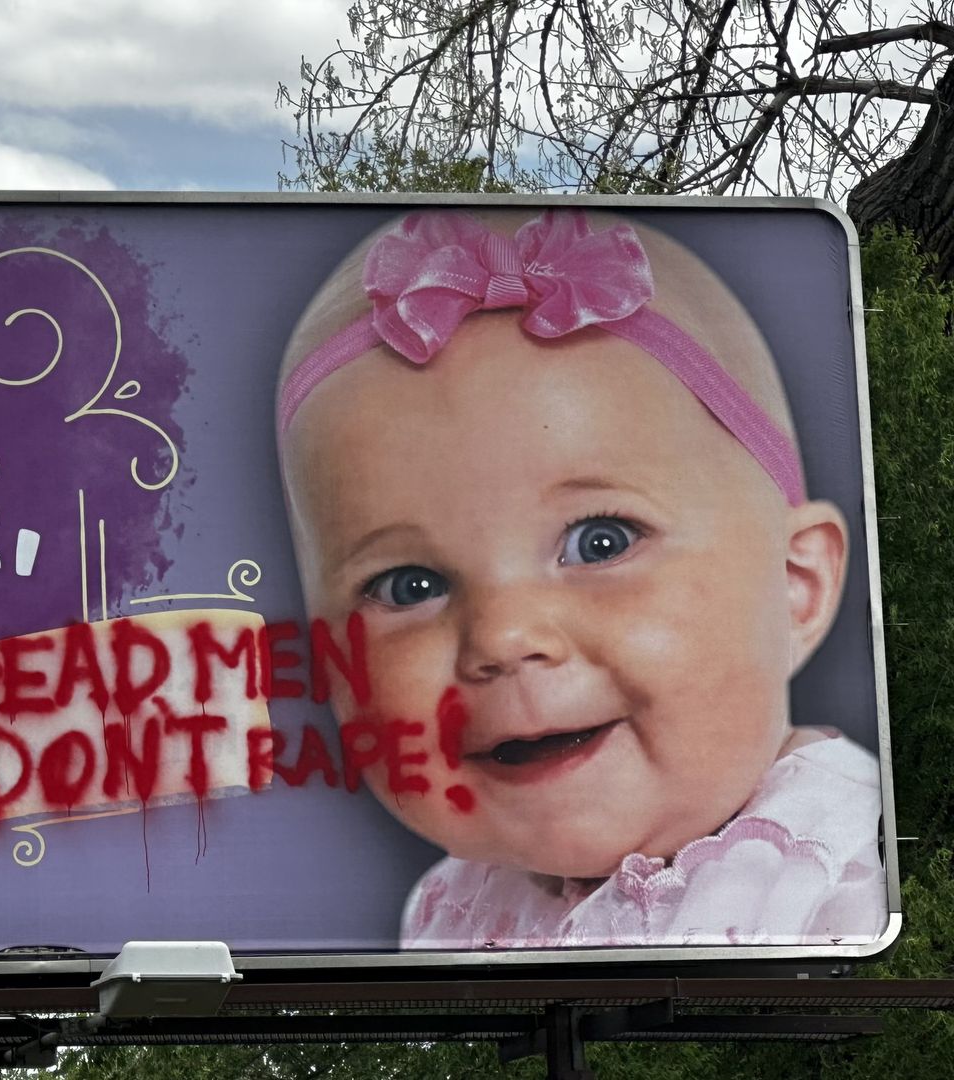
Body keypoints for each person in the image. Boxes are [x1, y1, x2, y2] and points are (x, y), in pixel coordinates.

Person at [274, 207, 886, 948]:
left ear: (796, 585)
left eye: (601, 541)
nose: (503, 637)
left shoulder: (847, 870)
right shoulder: (447, 912)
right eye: (410, 586)